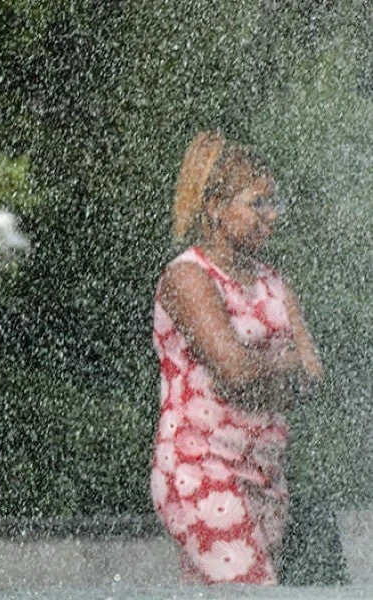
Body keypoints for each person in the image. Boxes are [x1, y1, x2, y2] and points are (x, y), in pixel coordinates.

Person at [151, 131, 322, 584]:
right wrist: (281, 365)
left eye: (275, 204)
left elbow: (313, 375)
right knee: (253, 590)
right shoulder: (188, 277)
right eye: (258, 203)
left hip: (266, 475)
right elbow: (235, 371)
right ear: (215, 208)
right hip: (201, 468)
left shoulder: (275, 282)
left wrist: (264, 370)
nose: (272, 217)